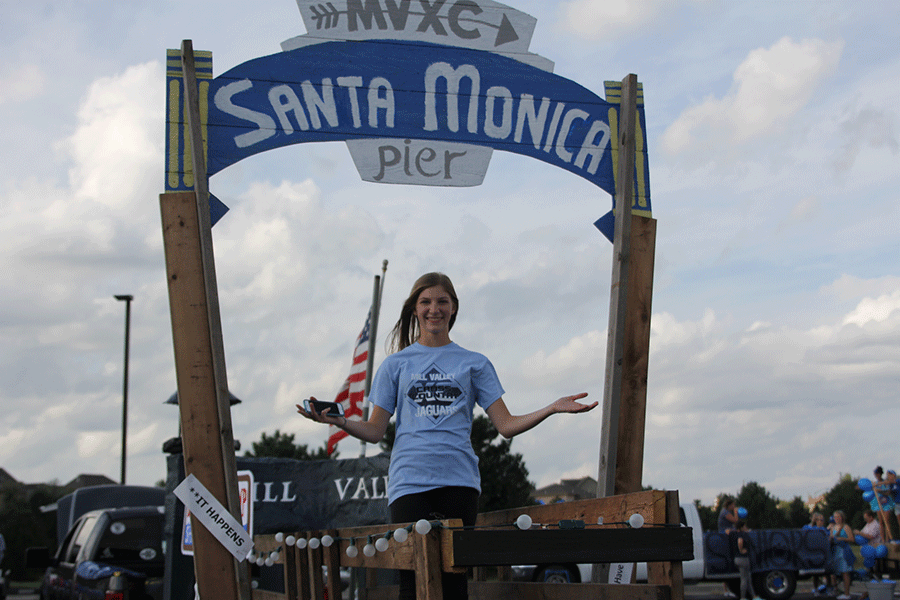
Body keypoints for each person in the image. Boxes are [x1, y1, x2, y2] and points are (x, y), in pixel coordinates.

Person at [297, 272, 597, 600]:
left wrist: (551, 408)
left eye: (442, 301)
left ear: (453, 308)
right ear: (415, 309)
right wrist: (340, 421)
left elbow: (506, 425)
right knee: (411, 582)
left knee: (454, 583)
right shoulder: (395, 365)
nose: (434, 309)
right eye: (425, 302)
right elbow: (374, 430)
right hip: (410, 484)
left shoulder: (475, 363)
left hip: (459, 482)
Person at [829, 510, 854, 600]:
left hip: (844, 551)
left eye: (838, 517)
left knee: (845, 573)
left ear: (842, 517)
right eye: (835, 517)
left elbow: (852, 539)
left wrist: (842, 538)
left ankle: (847, 594)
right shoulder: (833, 528)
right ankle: (836, 589)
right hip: (835, 551)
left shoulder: (846, 527)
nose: (836, 518)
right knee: (833, 573)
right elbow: (831, 539)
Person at [730, 520, 755, 600]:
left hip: (737, 558)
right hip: (743, 558)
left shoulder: (734, 534)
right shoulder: (742, 534)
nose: (746, 527)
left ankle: (754, 596)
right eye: (744, 526)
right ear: (741, 527)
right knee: (745, 579)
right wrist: (741, 550)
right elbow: (740, 541)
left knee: (747, 578)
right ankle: (743, 597)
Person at [871, 466, 896, 541]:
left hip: (886, 503)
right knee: (881, 522)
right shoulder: (875, 483)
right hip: (878, 504)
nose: (876, 475)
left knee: (887, 521)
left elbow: (888, 492)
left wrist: (880, 491)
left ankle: (888, 538)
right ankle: (883, 540)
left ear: (880, 474)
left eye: (877, 473)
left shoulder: (885, 482)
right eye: (875, 474)